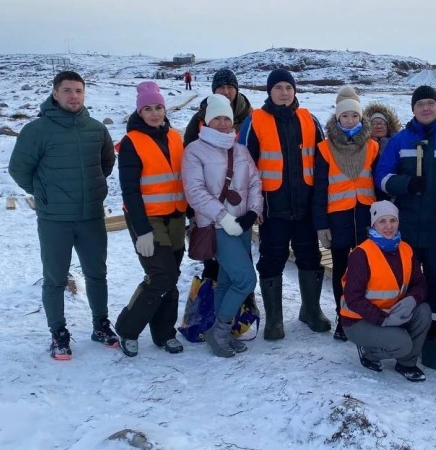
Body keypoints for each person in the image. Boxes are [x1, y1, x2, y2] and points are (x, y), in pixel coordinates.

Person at [9, 71, 118, 360]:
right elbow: (19, 169)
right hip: (54, 218)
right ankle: (58, 333)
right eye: (67, 90)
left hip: (91, 216)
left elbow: (106, 162)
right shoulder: (37, 131)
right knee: (55, 279)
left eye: (79, 91)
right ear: (55, 93)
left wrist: (93, 188)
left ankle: (101, 325)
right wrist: (44, 192)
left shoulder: (96, 129)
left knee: (97, 274)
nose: (74, 96)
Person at [374, 85, 436, 338]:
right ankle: (411, 324)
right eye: (420, 104)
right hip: (408, 228)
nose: (425, 108)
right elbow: (382, 177)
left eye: (430, 103)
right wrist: (405, 184)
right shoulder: (401, 140)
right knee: (408, 281)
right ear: (413, 109)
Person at [238, 69, 328, 340]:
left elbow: (323, 164)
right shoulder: (255, 121)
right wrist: (252, 207)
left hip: (305, 207)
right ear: (269, 91)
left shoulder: (309, 119)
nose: (284, 93)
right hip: (271, 208)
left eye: (288, 87)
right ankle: (274, 319)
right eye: (278, 87)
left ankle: (311, 311)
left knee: (310, 257)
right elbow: (245, 167)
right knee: (271, 260)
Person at [183, 94, 263, 357]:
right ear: (206, 120)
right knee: (246, 279)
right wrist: (224, 218)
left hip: (241, 224)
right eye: (216, 117)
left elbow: (254, 182)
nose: (221, 123)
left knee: (228, 280)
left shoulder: (240, 150)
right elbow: (195, 192)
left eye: (226, 117)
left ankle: (222, 335)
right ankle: (218, 333)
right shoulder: (194, 150)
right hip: (217, 227)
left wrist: (252, 213)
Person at [113, 82, 187, 357]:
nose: (155, 113)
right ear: (139, 112)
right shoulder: (132, 142)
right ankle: (127, 328)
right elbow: (129, 190)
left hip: (176, 216)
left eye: (158, 107)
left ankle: (164, 332)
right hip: (147, 218)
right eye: (148, 109)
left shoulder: (175, 137)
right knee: (161, 275)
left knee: (172, 276)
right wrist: (142, 230)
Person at [313, 86, 381, 341]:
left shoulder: (373, 147)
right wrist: (322, 225)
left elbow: (379, 184)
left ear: (361, 118)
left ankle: (364, 316)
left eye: (354, 116)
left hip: (366, 218)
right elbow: (320, 190)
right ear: (337, 119)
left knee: (366, 271)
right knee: (341, 271)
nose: (350, 120)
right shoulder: (324, 148)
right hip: (338, 220)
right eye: (345, 116)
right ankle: (343, 320)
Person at [341, 200, 431, 381]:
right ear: (373, 224)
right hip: (359, 321)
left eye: (393, 220)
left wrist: (412, 299)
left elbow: (419, 282)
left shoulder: (406, 249)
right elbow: (353, 297)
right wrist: (384, 319)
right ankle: (369, 353)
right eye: (382, 221)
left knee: (424, 311)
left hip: (393, 312)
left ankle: (407, 363)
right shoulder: (361, 254)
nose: (389, 226)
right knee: (403, 343)